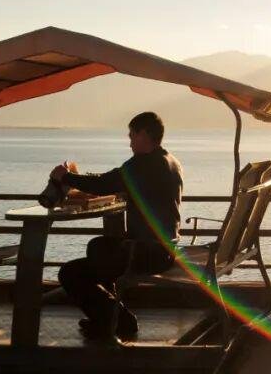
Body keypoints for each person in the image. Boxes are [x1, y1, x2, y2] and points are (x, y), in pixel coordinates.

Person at [52, 111, 184, 340]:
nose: (130, 142)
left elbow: (104, 183)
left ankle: (117, 321)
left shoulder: (143, 164)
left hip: (144, 252)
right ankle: (111, 317)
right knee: (98, 247)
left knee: (71, 272)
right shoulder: (170, 161)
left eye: (132, 136)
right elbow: (119, 181)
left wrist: (66, 177)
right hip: (165, 248)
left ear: (144, 134)